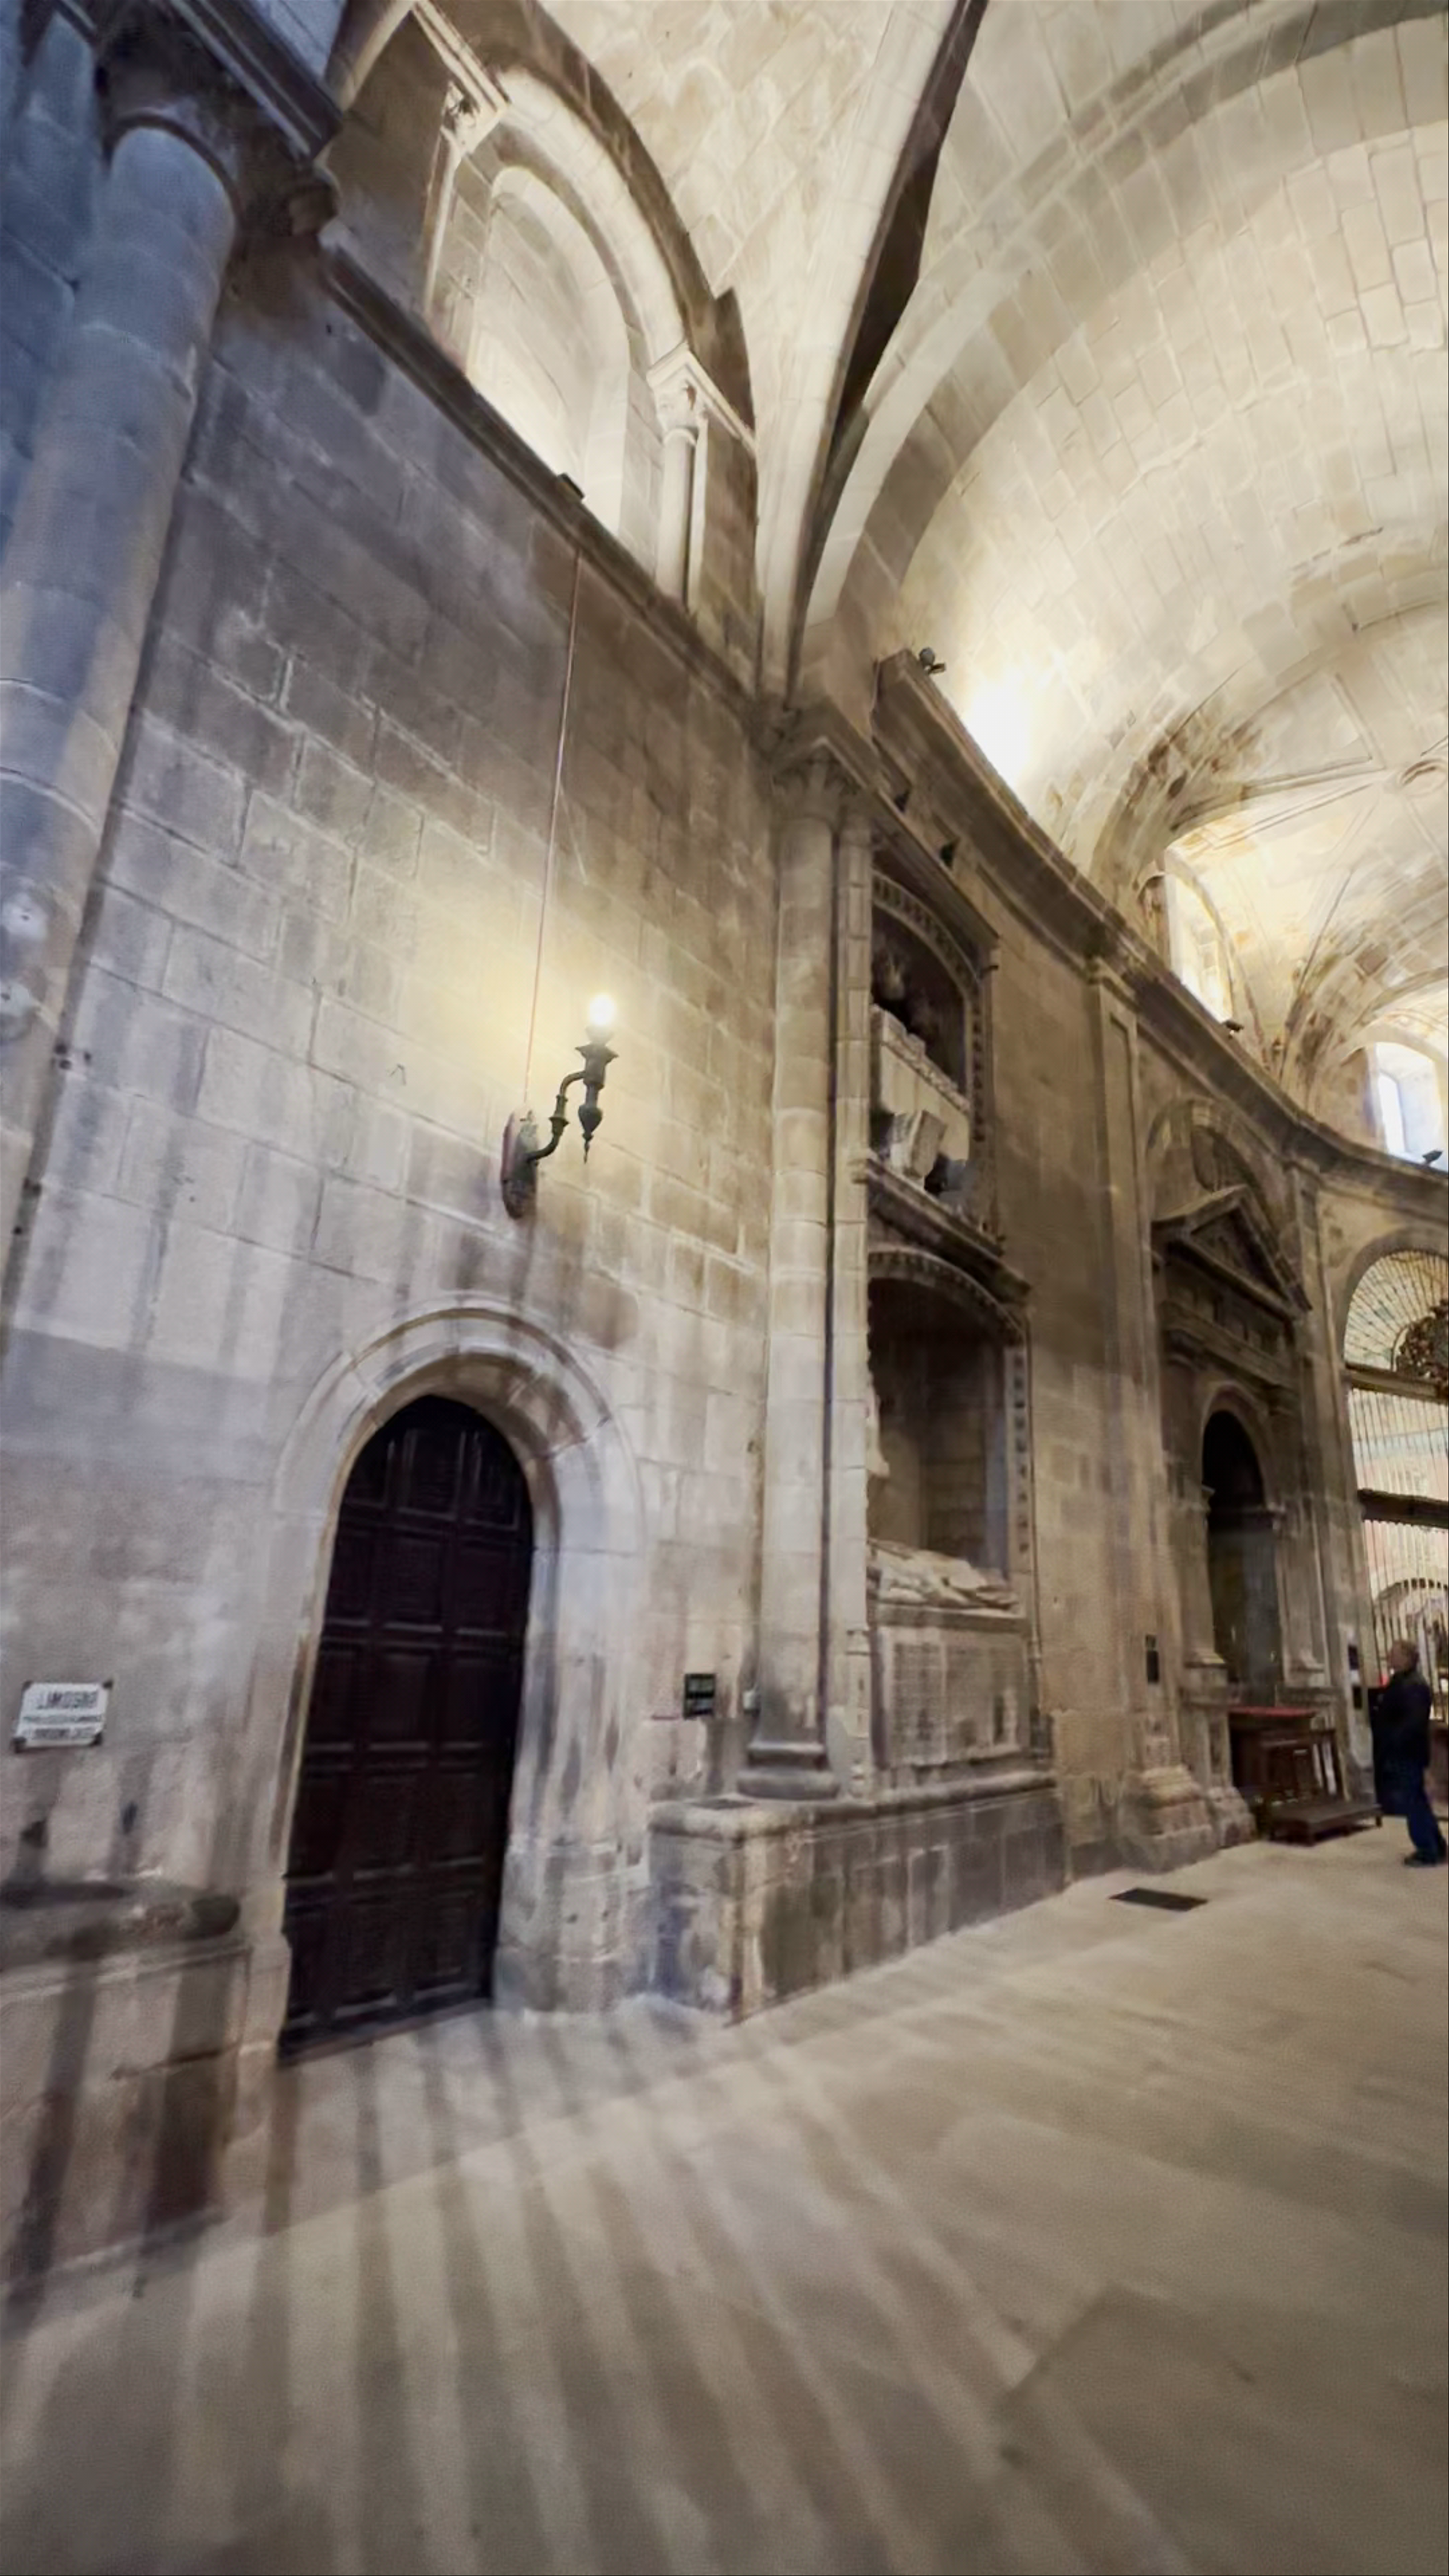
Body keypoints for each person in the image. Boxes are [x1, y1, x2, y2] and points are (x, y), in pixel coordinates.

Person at [1377, 1641, 1447, 1866]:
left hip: (1409, 1752)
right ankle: (1437, 1845)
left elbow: (1413, 1723)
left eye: (1395, 1653)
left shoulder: (1414, 1685)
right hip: (1405, 1750)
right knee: (1419, 1800)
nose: (1390, 1656)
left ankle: (1427, 1851)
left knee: (1413, 1801)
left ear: (1408, 1658)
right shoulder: (1402, 1681)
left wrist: (1394, 1742)